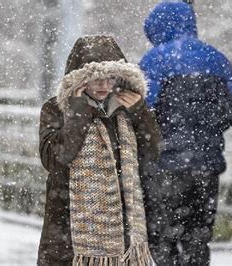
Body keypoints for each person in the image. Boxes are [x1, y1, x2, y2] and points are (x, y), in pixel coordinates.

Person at [37, 35, 160, 265]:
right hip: (68, 230)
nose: (104, 86)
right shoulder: (56, 109)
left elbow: (152, 150)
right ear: (80, 80)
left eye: (110, 78)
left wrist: (140, 112)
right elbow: (56, 158)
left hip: (121, 233)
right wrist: (78, 112)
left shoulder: (126, 108)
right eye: (96, 79)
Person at [139, 2, 232, 265]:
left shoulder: (154, 60)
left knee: (161, 239)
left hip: (164, 168)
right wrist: (203, 135)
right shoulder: (217, 59)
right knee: (197, 238)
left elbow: (143, 113)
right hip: (206, 167)